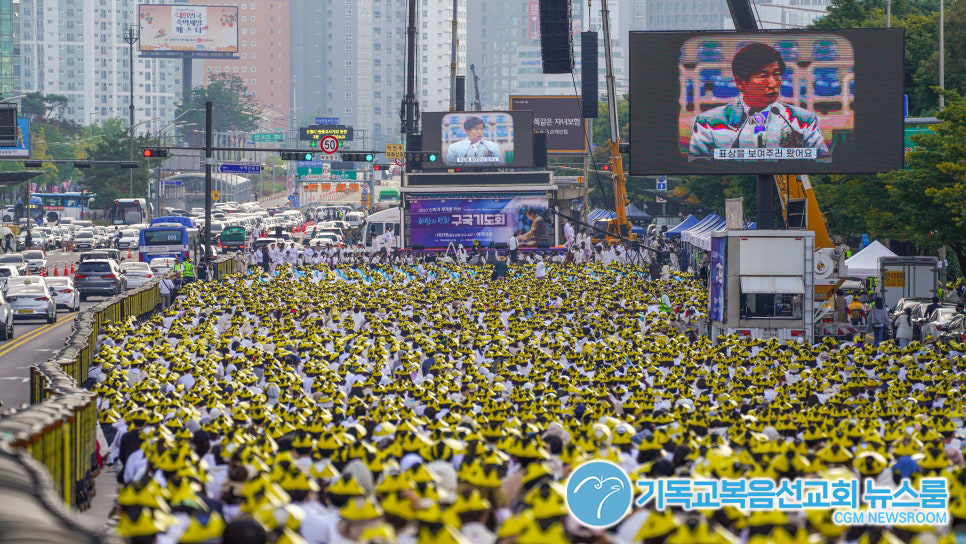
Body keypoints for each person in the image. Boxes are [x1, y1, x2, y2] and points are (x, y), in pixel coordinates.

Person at [688, 42, 830, 162]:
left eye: (777, 74)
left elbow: (822, 161)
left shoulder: (803, 120)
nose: (773, 82)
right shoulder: (708, 122)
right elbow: (697, 166)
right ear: (740, 83)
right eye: (763, 76)